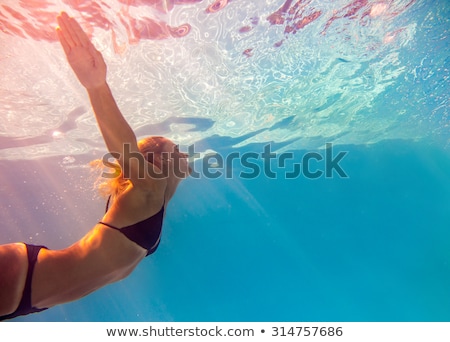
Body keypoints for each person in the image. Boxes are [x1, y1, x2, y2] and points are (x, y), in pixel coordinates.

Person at [0, 11, 190, 321]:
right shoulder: (149, 191)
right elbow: (124, 149)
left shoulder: (150, 202)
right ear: (155, 162)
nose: (185, 154)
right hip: (23, 276)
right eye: (177, 149)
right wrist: (96, 85)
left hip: (28, 295)